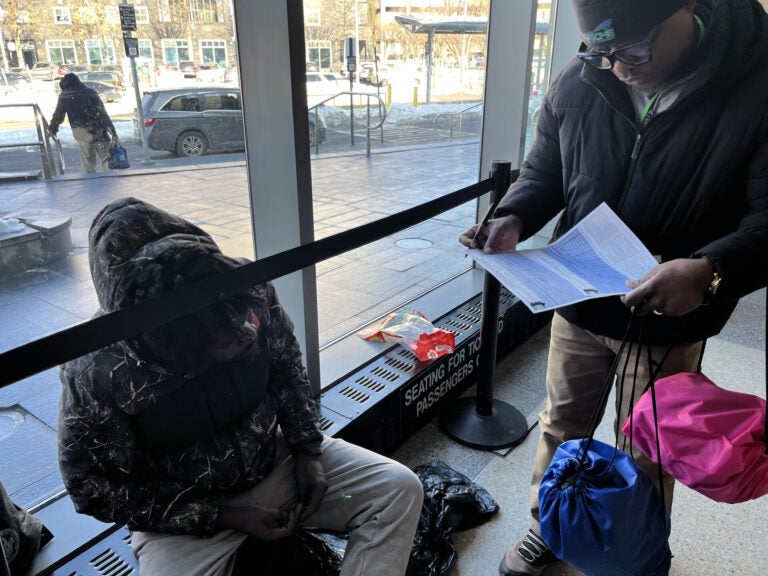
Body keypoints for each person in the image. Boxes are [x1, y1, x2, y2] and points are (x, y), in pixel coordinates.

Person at [458, 1, 768, 575]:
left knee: (648, 447)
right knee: (561, 423)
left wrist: (710, 271)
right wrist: (514, 215)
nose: (618, 68)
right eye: (599, 52)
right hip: (578, 298)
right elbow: (546, 169)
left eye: (632, 50)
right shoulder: (583, 77)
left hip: (670, 313)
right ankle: (548, 526)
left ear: (685, 9)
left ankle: (636, 553)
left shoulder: (755, 85)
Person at [58, 197, 424, 576]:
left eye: (244, 321)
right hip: (184, 512)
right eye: (224, 342)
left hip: (276, 462)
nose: (247, 332)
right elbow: (92, 488)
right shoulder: (97, 369)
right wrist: (223, 515)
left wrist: (307, 450)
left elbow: (285, 365)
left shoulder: (245, 286)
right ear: (176, 347)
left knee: (399, 488)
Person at [49, 73, 118, 173]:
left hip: (81, 134)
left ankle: (91, 186)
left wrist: (53, 128)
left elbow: (58, 115)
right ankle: (110, 181)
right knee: (106, 160)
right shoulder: (90, 93)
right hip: (99, 132)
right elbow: (103, 113)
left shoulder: (65, 96)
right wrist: (112, 131)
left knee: (88, 165)